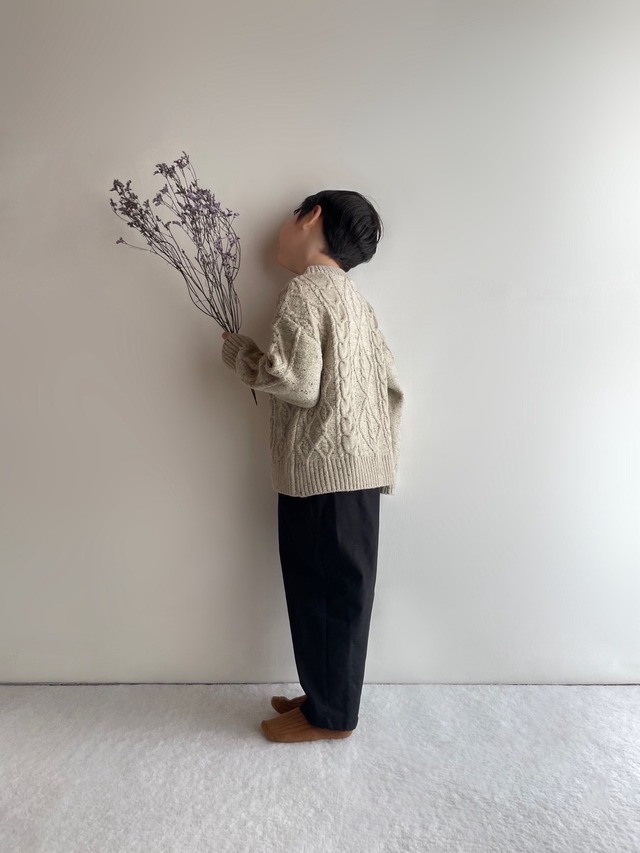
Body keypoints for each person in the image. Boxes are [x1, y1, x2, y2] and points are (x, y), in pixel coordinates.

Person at [221, 190, 404, 742]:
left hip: (320, 472)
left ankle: (330, 718)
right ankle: (326, 698)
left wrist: (241, 356)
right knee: (341, 593)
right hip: (359, 471)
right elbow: (392, 389)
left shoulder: (305, 290)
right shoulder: (357, 303)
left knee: (317, 591)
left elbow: (295, 382)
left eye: (290, 216)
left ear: (312, 217)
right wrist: (381, 458)